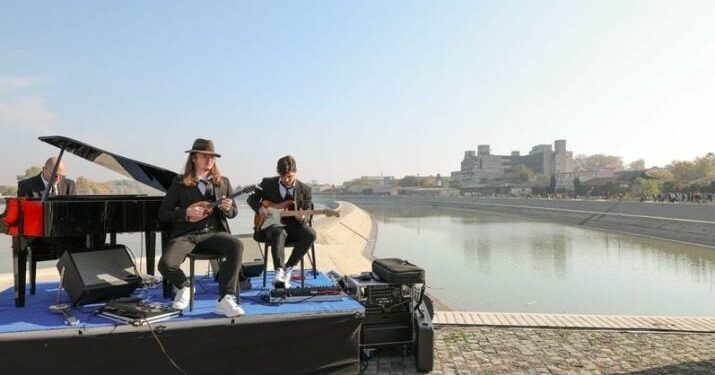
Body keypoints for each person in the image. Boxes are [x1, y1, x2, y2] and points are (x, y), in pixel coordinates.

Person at [158, 138, 244, 317]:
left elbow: (233, 212)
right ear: (194, 158)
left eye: (212, 156)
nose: (210, 159)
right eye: (205, 156)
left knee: (236, 245)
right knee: (165, 264)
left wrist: (229, 209)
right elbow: (163, 213)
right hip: (186, 235)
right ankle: (186, 287)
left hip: (213, 235)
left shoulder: (223, 182)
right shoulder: (180, 182)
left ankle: (225, 299)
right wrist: (186, 213)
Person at [247, 155, 316, 288]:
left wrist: (302, 218)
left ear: (296, 172)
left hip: (294, 226)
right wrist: (260, 208)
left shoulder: (305, 190)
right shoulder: (267, 183)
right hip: (271, 226)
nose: (286, 179)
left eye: (289, 176)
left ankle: (288, 268)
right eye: (283, 176)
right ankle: (278, 271)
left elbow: (308, 213)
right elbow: (251, 199)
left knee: (311, 234)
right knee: (279, 232)